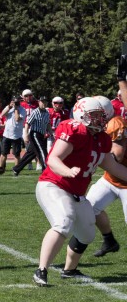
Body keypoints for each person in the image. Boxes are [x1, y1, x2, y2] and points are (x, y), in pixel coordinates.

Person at [33, 96, 127, 287]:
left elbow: (113, 167)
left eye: (102, 116)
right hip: (54, 184)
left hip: (77, 193)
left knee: (87, 233)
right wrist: (67, 171)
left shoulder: (101, 139)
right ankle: (41, 270)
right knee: (63, 221)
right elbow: (53, 159)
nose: (100, 120)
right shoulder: (75, 130)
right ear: (81, 114)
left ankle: (69, 270)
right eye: (95, 116)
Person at [86, 102, 126, 258]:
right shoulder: (103, 125)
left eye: (96, 113)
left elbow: (117, 156)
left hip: (125, 179)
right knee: (89, 207)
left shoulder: (115, 123)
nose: (93, 117)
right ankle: (109, 240)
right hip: (111, 178)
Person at [12, 96, 52, 176]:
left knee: (30, 154)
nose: (44, 103)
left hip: (42, 135)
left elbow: (48, 124)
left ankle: (16, 169)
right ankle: (46, 170)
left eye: (45, 102)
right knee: (42, 152)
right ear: (39, 102)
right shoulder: (35, 112)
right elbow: (27, 123)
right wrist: (26, 135)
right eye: (42, 102)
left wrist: (51, 133)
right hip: (35, 134)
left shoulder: (47, 113)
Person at [0, 96, 26, 174]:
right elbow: (2, 115)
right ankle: (0, 168)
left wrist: (16, 108)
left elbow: (17, 118)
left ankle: (16, 170)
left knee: (16, 154)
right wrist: (9, 106)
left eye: (17, 102)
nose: (16, 103)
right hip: (7, 134)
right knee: (3, 153)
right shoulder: (9, 108)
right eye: (14, 101)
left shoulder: (23, 110)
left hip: (17, 135)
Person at [20, 89, 39, 170]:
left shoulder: (37, 103)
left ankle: (38, 163)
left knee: (36, 145)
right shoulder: (21, 104)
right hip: (24, 127)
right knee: (27, 146)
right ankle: (29, 163)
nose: (28, 97)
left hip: (35, 126)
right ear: (23, 97)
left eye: (30, 95)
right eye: (26, 96)